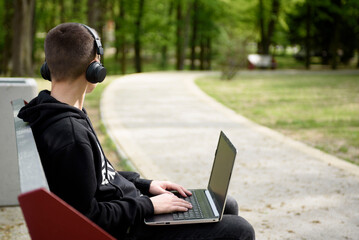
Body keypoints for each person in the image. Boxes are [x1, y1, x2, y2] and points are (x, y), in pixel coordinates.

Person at [18, 23, 255, 240]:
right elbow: (88, 218)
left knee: (225, 205)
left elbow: (98, 174)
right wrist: (149, 206)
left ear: (48, 67)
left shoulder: (57, 110)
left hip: (127, 209)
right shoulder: (70, 135)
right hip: (125, 228)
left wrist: (146, 185)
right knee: (240, 230)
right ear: (95, 69)